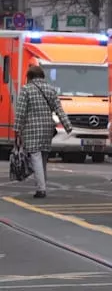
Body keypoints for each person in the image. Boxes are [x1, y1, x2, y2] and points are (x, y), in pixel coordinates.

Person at [14, 65, 74, 199]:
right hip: (47, 128)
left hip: (32, 128)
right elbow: (59, 109)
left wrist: (17, 129)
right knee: (43, 158)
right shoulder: (51, 89)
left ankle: (41, 189)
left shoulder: (26, 89)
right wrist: (68, 126)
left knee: (35, 157)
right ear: (42, 76)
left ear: (29, 76)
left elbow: (20, 112)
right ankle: (42, 184)